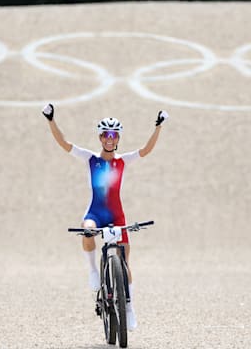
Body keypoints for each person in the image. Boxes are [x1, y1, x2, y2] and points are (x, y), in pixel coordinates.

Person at [42, 103, 168, 330]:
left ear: (117, 138)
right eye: (106, 135)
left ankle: (129, 307)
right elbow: (64, 144)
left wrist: (157, 127)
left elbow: (145, 150)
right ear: (100, 137)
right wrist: (51, 120)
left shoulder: (123, 161)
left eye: (114, 135)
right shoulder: (90, 158)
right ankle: (92, 270)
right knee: (87, 228)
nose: (110, 139)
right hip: (96, 213)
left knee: (126, 263)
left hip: (117, 215)